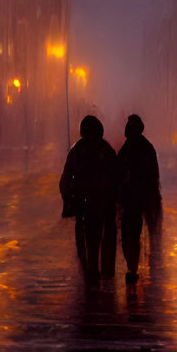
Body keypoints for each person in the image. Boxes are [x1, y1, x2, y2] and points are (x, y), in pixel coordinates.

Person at [59, 115, 117, 283]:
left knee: (88, 244)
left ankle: (91, 276)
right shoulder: (105, 150)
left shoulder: (78, 151)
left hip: (87, 206)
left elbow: (65, 180)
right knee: (101, 242)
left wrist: (71, 200)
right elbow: (116, 177)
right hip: (100, 205)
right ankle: (103, 276)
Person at [116, 114, 162, 283]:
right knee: (134, 234)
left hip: (133, 199)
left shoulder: (128, 149)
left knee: (130, 235)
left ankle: (133, 267)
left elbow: (119, 174)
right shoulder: (144, 148)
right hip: (137, 199)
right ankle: (135, 267)